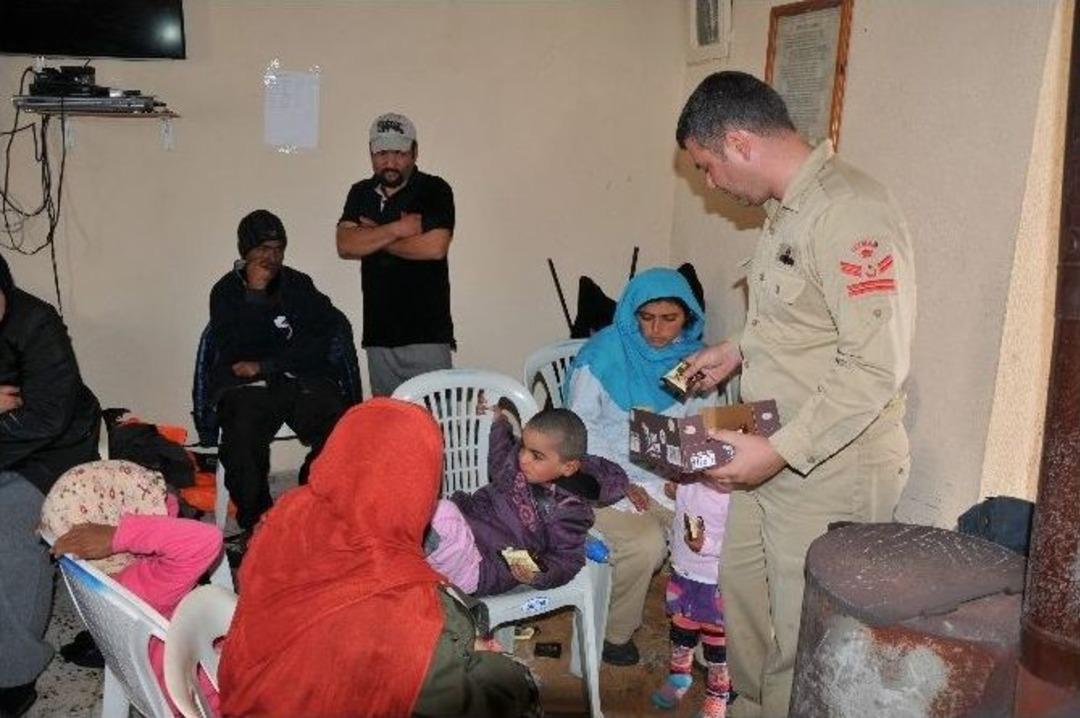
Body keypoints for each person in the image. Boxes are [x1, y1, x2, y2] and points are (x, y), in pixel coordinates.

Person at [676, 71, 915, 716]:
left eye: (707, 166)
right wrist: (738, 349)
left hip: (829, 461)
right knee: (744, 593)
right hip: (773, 439)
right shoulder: (785, 209)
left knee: (805, 631)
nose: (710, 184)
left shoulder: (848, 211)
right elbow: (798, 324)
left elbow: (875, 367)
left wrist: (779, 451)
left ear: (739, 143)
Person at [218, 399, 540, 718]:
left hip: (249, 692)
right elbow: (458, 694)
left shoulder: (289, 513)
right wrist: (508, 672)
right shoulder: (401, 602)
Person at [564, 267, 717, 666]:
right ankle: (615, 633)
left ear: (689, 319)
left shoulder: (692, 363)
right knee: (645, 544)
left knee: (712, 533)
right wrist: (615, 479)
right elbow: (577, 431)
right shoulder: (602, 355)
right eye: (646, 318)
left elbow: (699, 431)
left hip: (664, 479)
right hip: (600, 478)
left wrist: (682, 475)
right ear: (631, 314)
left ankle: (702, 627)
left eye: (670, 319)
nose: (656, 330)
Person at [40, 460, 224, 717]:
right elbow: (206, 539)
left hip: (181, 683)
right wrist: (120, 535)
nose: (169, 498)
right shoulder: (148, 582)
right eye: (158, 497)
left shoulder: (108, 583)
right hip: (219, 698)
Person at [208, 209, 347, 547]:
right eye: (263, 249)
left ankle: (307, 499)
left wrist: (266, 365)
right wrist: (254, 296)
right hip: (248, 390)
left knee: (343, 423)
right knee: (241, 434)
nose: (271, 257)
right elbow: (234, 353)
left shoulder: (298, 284)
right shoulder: (225, 292)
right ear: (245, 251)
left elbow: (323, 339)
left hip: (296, 379)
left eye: (278, 248)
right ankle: (260, 523)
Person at [0, 253, 100, 717]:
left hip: (52, 451)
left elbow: (46, 419)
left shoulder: (37, 323)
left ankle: (15, 674)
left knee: (11, 528)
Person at [425, 406, 628, 596]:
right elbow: (500, 455)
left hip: (486, 565)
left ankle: (433, 563)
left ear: (568, 467)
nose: (523, 458)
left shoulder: (568, 509)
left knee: (440, 515)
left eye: (536, 456)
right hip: (469, 522)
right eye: (523, 447)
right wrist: (498, 422)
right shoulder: (522, 463)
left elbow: (566, 560)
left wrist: (538, 574)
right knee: (425, 509)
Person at [335, 112, 456, 396]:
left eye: (399, 153)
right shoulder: (360, 192)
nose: (390, 162)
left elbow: (434, 248)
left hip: (427, 335)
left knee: (438, 427)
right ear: (371, 154)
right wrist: (399, 228)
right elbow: (345, 244)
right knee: (389, 431)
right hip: (379, 338)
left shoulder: (435, 190)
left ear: (415, 152)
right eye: (381, 153)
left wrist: (375, 236)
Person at [650, 478, 731, 718]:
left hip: (715, 583)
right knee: (681, 635)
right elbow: (682, 506)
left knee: (718, 647)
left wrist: (707, 545)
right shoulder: (690, 482)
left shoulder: (738, 499)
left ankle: (718, 696)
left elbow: (739, 544)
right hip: (683, 575)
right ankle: (679, 678)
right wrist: (674, 489)